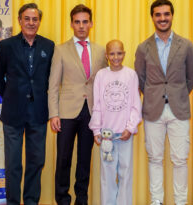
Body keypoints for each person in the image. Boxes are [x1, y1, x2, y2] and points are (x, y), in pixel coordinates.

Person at [0, 3, 55, 205]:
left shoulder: (49, 46)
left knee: (36, 162)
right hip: (13, 113)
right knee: (13, 164)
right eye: (27, 18)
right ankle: (12, 201)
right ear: (19, 20)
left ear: (39, 22)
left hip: (38, 112)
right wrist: (10, 94)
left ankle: (31, 201)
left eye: (35, 19)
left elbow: (51, 79)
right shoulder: (6, 45)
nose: (31, 23)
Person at [134, 0, 193, 204]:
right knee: (154, 159)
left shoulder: (186, 45)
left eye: (166, 14)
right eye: (158, 15)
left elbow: (191, 77)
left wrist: (176, 93)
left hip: (179, 109)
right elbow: (140, 78)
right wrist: (154, 95)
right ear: (152, 17)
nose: (162, 18)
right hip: (153, 110)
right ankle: (156, 201)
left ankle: (180, 201)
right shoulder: (143, 48)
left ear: (172, 15)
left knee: (180, 160)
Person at [48, 4, 108, 205]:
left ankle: (82, 200)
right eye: (77, 22)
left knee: (84, 160)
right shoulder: (60, 49)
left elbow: (105, 84)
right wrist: (53, 113)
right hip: (66, 112)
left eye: (85, 22)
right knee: (63, 159)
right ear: (72, 24)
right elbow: (53, 85)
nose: (81, 26)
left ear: (91, 23)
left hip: (91, 113)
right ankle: (62, 200)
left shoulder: (101, 51)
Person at [89, 40, 142, 205]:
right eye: (112, 53)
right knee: (108, 174)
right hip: (107, 136)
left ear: (124, 54)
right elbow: (97, 104)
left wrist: (131, 127)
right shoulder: (101, 75)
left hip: (125, 134)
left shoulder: (131, 75)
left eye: (119, 53)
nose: (116, 57)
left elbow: (135, 104)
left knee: (126, 173)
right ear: (106, 55)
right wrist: (96, 130)